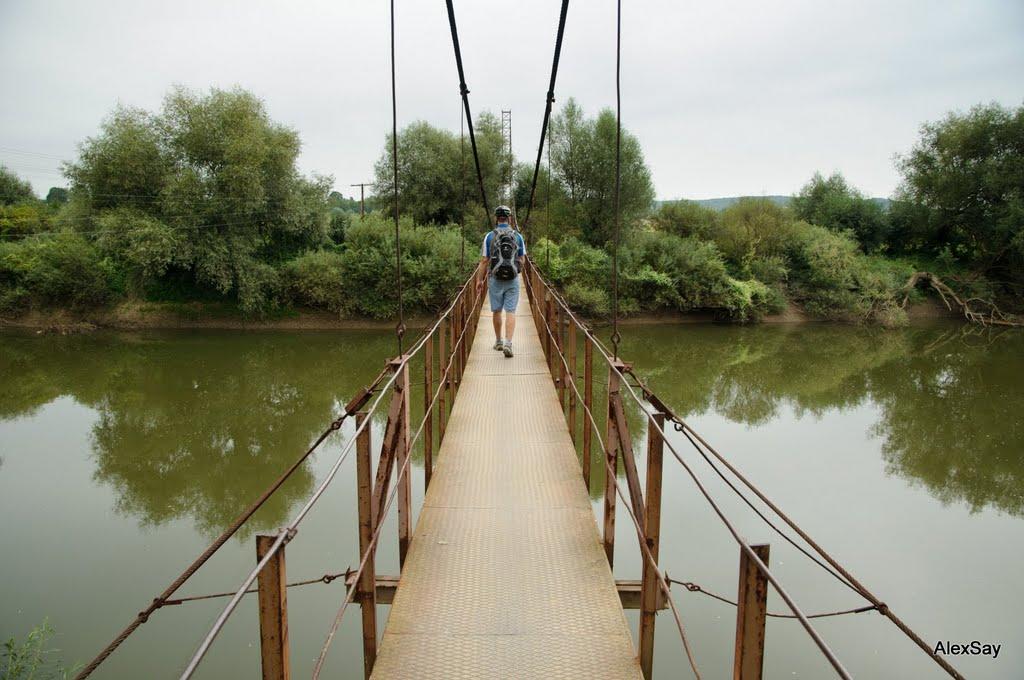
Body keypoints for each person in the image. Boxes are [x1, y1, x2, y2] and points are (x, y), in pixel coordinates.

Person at [479, 205, 526, 357]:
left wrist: (479, 280)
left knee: (497, 311)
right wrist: (516, 270)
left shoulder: (489, 236)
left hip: (495, 278)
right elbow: (522, 259)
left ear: (496, 218)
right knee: (510, 311)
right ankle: (508, 343)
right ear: (509, 218)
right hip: (512, 279)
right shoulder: (518, 236)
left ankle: (498, 341)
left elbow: (484, 261)